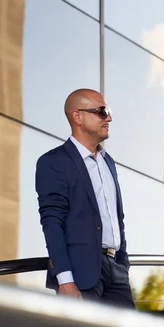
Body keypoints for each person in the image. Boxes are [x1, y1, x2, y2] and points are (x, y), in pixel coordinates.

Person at [35, 88, 135, 308]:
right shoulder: (53, 162)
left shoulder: (108, 162)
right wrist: (65, 280)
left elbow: (117, 219)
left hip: (116, 272)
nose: (109, 117)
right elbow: (52, 223)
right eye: (101, 111)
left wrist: (123, 263)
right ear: (78, 116)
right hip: (81, 274)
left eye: (108, 111)